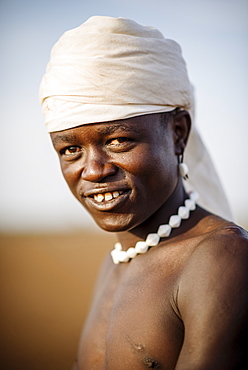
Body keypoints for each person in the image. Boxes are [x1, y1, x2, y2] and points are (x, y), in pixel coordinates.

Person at [40, 16, 248, 369]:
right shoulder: (117, 260)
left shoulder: (220, 258)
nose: (93, 169)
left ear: (178, 133)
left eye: (119, 140)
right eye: (70, 150)